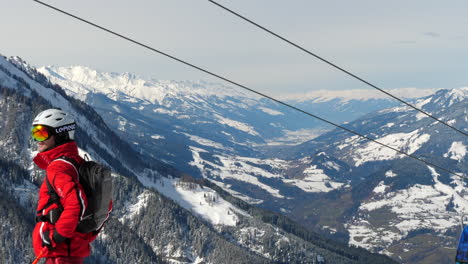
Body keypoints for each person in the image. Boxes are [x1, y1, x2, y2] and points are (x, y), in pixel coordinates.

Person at [31, 108, 98, 264]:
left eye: (42, 133)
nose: (37, 139)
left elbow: (76, 204)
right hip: (69, 251)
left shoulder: (59, 168)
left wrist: (56, 236)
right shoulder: (76, 163)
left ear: (60, 135)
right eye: (35, 133)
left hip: (60, 254)